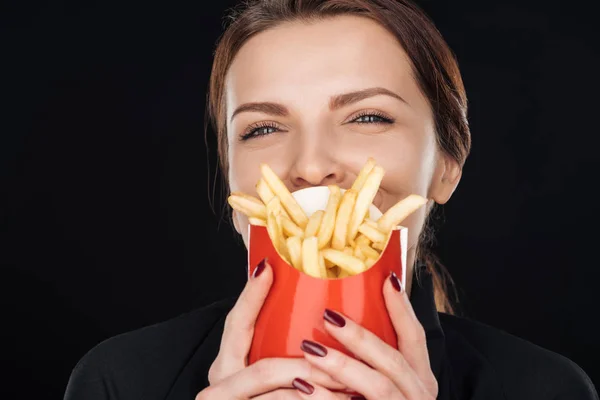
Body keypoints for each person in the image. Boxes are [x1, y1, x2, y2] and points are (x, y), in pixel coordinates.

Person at [64, 0, 599, 399]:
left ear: (447, 167)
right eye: (263, 127)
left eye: (368, 117)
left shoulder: (544, 389)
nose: (311, 165)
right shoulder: (119, 380)